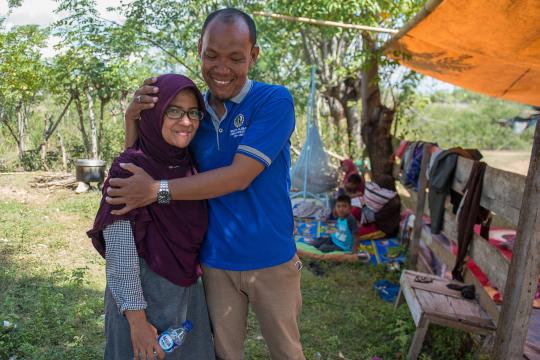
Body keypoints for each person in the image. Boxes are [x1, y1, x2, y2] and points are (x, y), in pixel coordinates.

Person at [105, 8, 305, 360]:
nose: (222, 68)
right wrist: (132, 120)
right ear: (199, 48)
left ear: (253, 55)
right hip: (215, 264)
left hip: (271, 260)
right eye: (211, 55)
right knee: (225, 354)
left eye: (235, 57)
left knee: (287, 352)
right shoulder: (193, 109)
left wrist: (156, 190)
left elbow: (241, 175)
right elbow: (150, 156)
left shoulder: (273, 101)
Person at [87, 74, 215, 360]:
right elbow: (120, 252)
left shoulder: (189, 166)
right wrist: (137, 322)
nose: (186, 121)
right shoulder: (129, 170)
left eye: (193, 112)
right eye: (174, 110)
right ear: (154, 114)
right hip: (142, 301)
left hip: (186, 298)